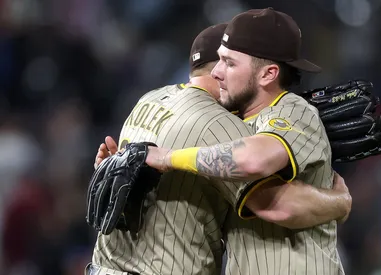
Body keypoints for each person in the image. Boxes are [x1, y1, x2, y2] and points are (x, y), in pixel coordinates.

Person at [88, 21, 351, 275]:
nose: (220, 72)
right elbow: (277, 204)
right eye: (223, 61)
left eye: (231, 62)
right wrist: (340, 203)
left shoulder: (149, 101)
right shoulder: (218, 124)